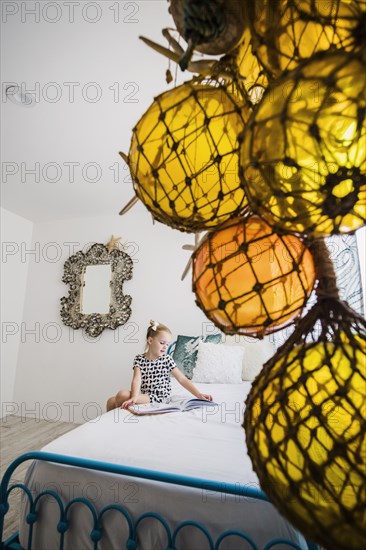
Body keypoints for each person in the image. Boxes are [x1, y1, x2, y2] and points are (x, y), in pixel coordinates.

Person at [106, 320, 212, 411]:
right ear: (150, 340)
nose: (165, 347)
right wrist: (135, 397)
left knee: (121, 395)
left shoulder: (166, 359)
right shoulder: (139, 359)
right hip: (146, 395)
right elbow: (136, 380)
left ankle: (120, 414)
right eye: (162, 343)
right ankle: (114, 419)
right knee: (111, 401)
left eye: (167, 344)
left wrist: (198, 394)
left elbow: (181, 378)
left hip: (160, 397)